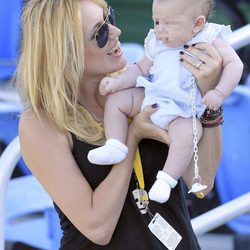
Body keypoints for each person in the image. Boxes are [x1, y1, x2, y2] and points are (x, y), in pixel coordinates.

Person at [17, 0, 223, 249]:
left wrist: (209, 97)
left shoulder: (143, 85)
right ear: (65, 52)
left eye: (110, 19)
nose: (116, 32)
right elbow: (98, 228)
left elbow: (203, 182)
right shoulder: (41, 122)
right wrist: (132, 136)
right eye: (100, 33)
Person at [87, 0, 243, 203]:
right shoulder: (157, 42)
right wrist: (117, 84)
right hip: (152, 97)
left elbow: (234, 64)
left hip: (183, 110)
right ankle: (115, 144)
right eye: (157, 22)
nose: (160, 30)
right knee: (116, 100)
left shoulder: (209, 36)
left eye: (168, 23)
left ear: (197, 24)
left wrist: (219, 93)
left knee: (188, 133)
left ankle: (166, 179)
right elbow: (140, 69)